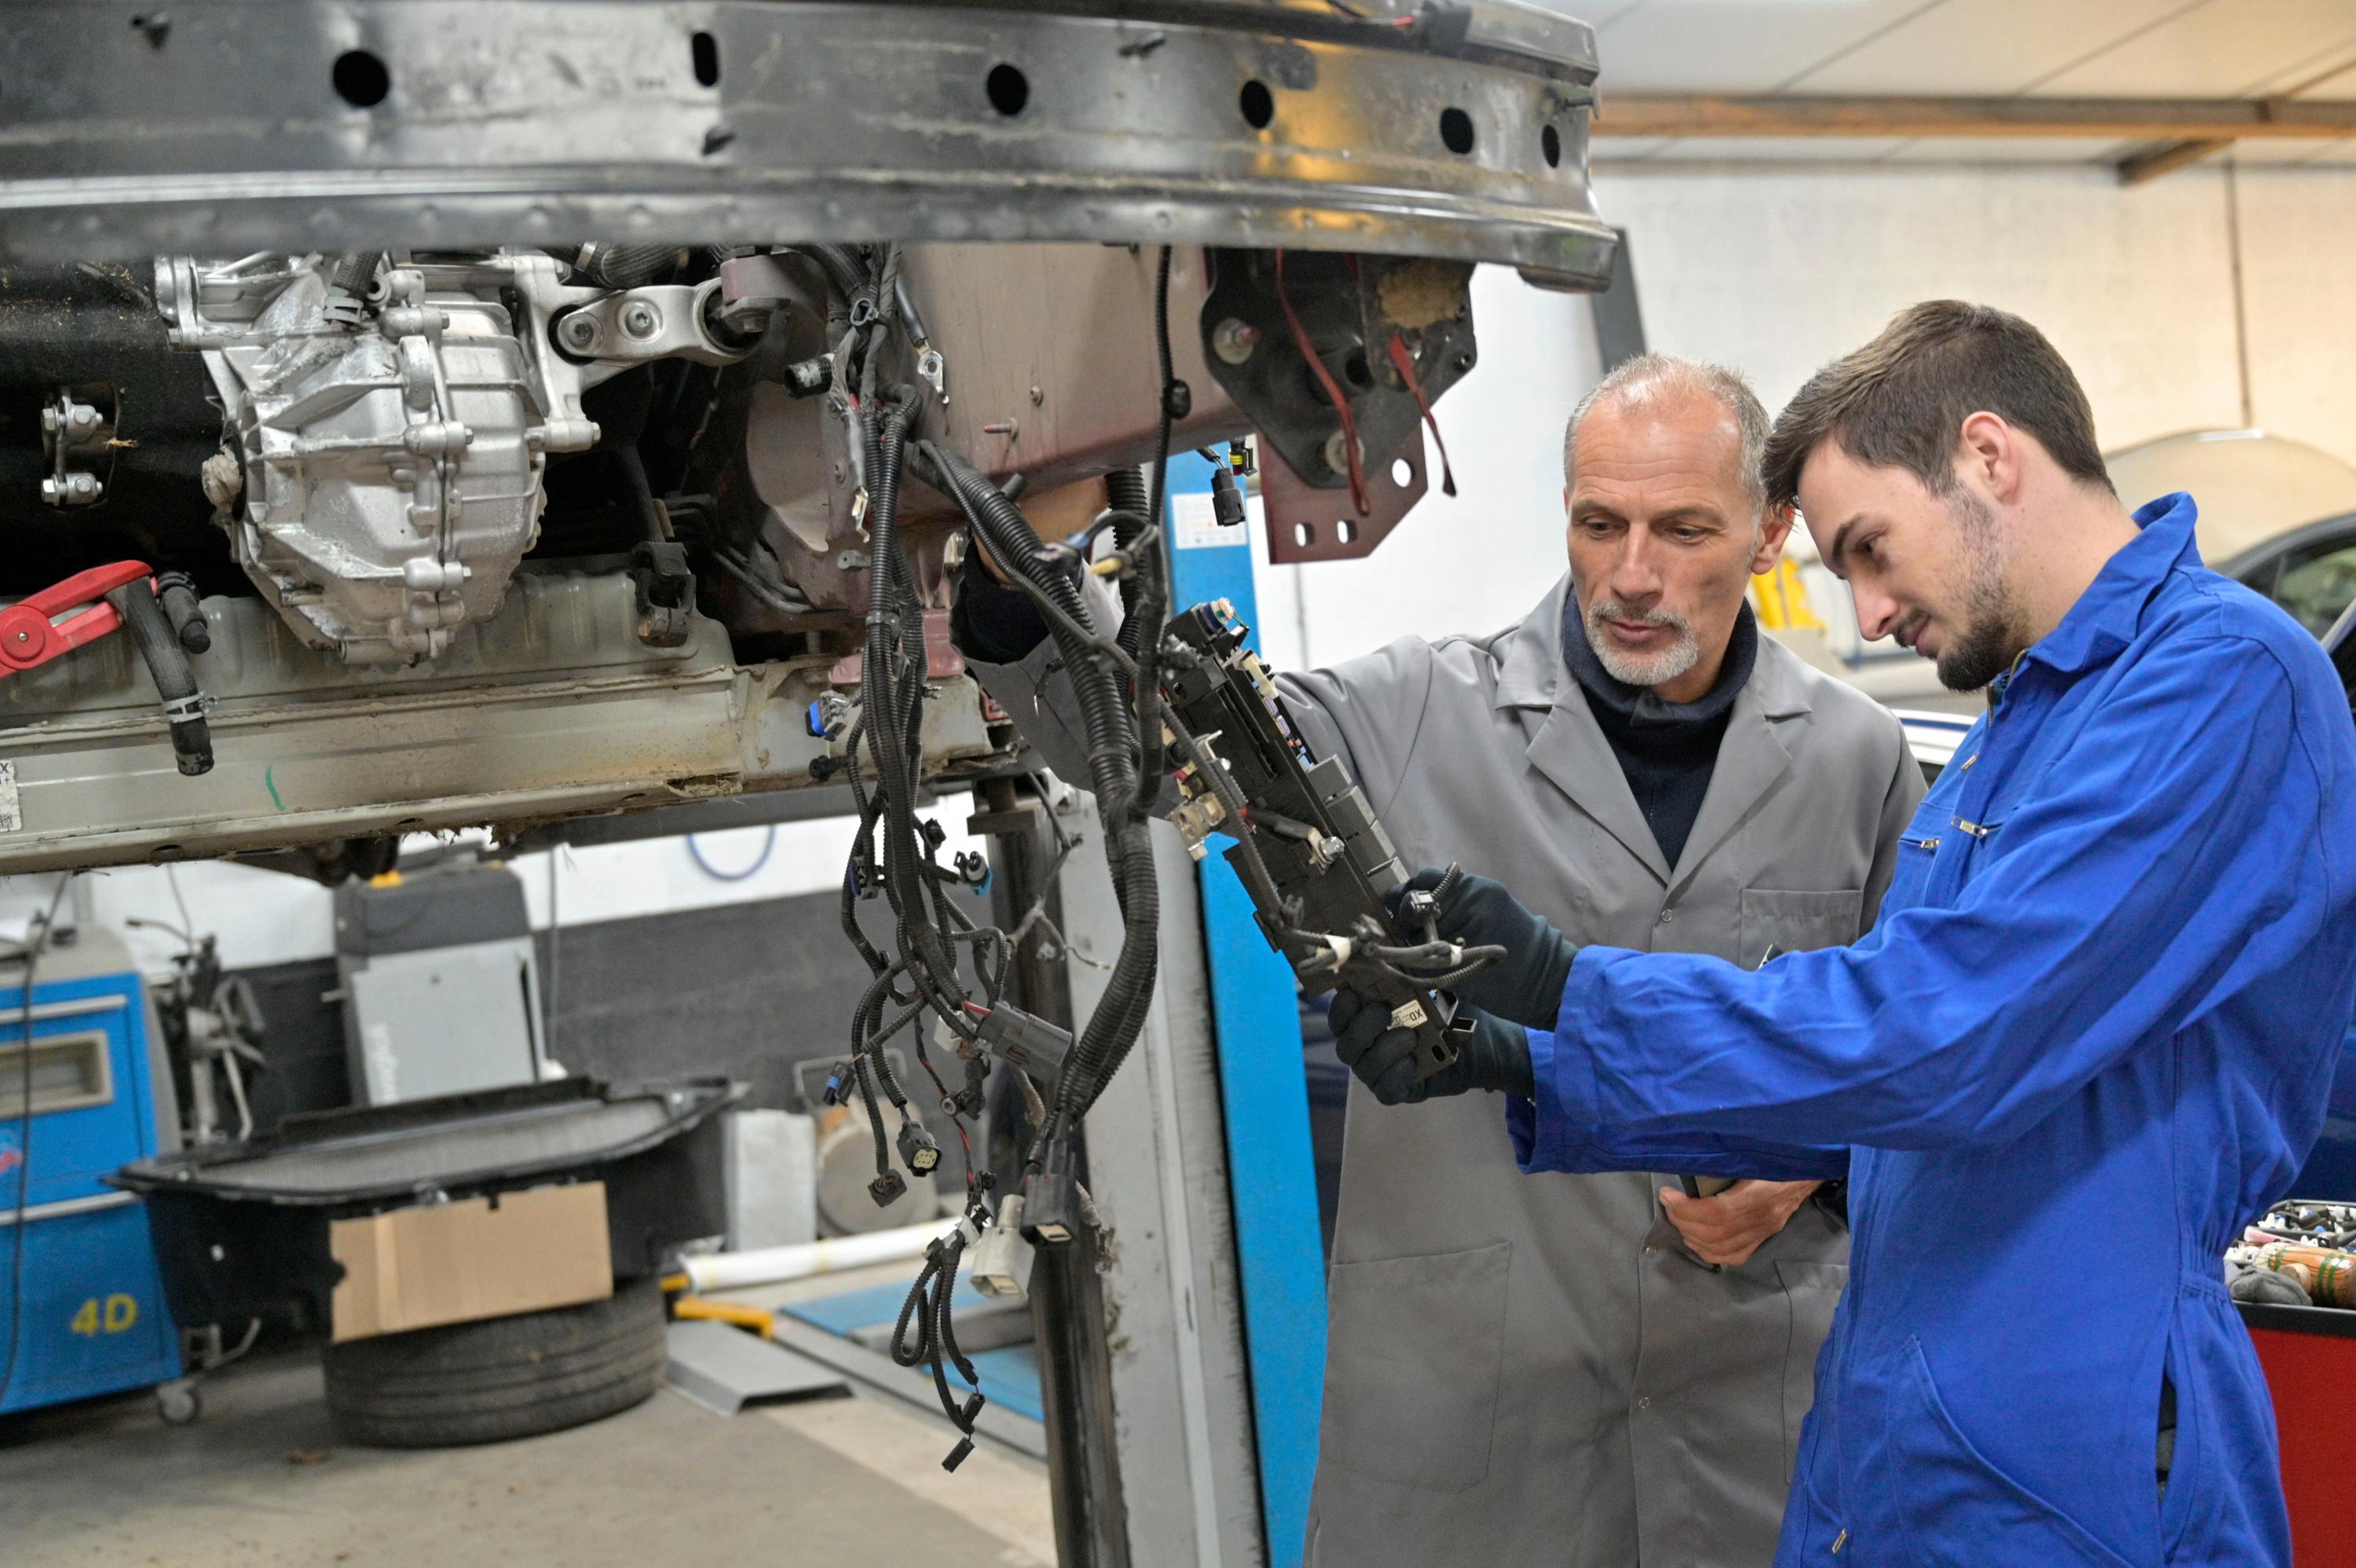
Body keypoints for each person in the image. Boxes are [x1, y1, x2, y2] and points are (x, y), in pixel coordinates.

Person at [1330, 302, 2356, 1568]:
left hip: (2076, 1452)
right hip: (1893, 1450)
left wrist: (1572, 990)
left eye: (1870, 549)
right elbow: (1876, 1079)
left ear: (1988, 456)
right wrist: (1522, 1054)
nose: (1867, 617)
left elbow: (1946, 1033)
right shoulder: (2013, 734)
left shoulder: (2223, 685)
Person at [953, 355, 1923, 1567]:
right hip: (1480, 1412)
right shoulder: (1417, 709)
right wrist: (1010, 590)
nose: (1632, 574)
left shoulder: (1858, 758)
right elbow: (1162, 746)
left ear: (1772, 531)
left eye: (1683, 530)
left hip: (1749, 1418)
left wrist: (1808, 1172)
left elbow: (1917, 1065)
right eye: (1598, 523)